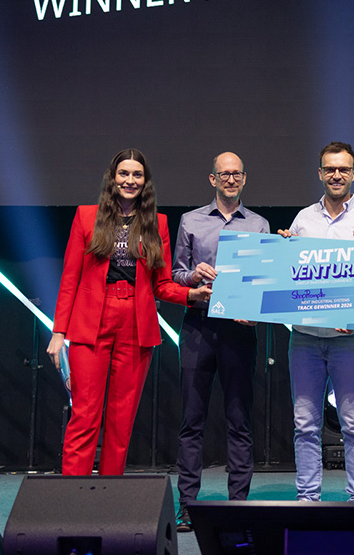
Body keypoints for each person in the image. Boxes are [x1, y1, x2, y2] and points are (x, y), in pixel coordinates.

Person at [47, 148, 211, 476]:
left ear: (145, 182)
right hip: (91, 322)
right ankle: (71, 494)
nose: (130, 180)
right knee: (85, 415)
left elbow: (162, 285)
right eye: (124, 173)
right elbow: (70, 279)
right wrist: (58, 332)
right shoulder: (86, 216)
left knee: (122, 421)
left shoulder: (157, 223)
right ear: (113, 178)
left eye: (137, 175)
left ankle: (108, 494)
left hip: (136, 325)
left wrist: (191, 294)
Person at [278, 141, 354, 502]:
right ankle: (308, 498)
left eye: (343, 169)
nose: (336, 175)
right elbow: (290, 277)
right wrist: (281, 253)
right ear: (320, 173)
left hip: (350, 340)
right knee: (304, 425)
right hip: (305, 339)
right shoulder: (302, 221)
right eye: (330, 169)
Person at [172, 152, 270, 532]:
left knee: (239, 421)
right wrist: (193, 276)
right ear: (212, 179)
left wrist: (256, 310)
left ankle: (238, 507)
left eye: (236, 174)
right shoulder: (191, 220)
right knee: (191, 421)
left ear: (244, 178)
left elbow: (266, 280)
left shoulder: (259, 225)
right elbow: (176, 273)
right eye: (224, 174)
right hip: (198, 327)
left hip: (239, 330)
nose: (230, 179)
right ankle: (187, 506)